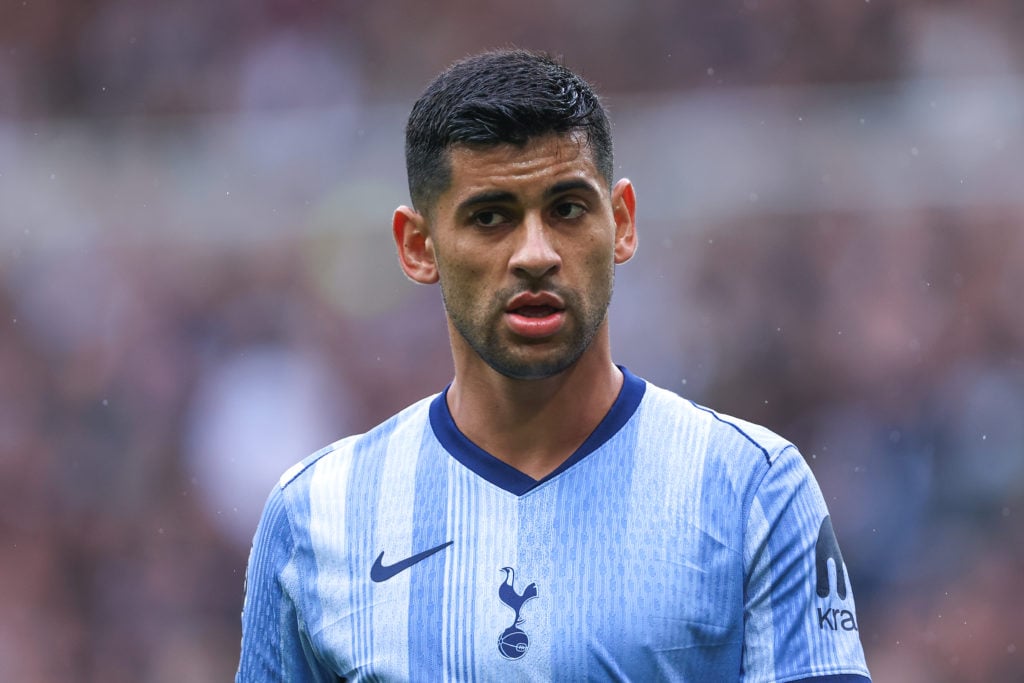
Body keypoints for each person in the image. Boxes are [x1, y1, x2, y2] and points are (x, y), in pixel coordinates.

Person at [237, 49, 871, 682]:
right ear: (417, 246)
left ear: (620, 223)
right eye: (491, 217)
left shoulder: (752, 488)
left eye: (567, 209)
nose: (535, 254)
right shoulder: (314, 515)